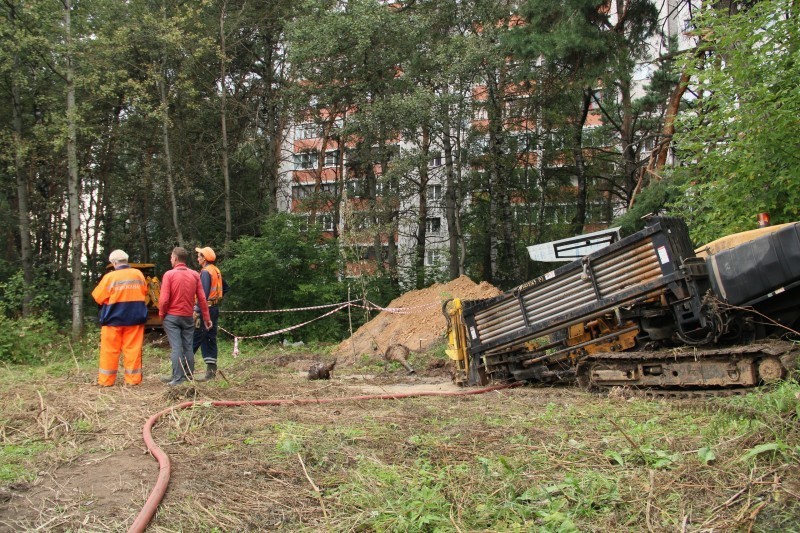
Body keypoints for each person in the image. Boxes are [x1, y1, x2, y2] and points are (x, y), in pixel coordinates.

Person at [91, 249, 148, 387]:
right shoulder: (138, 274)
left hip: (113, 320)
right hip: (135, 319)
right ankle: (132, 380)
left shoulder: (110, 277)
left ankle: (106, 381)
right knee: (133, 350)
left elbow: (98, 297)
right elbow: (144, 292)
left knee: (110, 350)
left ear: (114, 262)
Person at [159, 247, 212, 386]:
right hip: (188, 317)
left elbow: (164, 299)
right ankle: (189, 376)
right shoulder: (194, 274)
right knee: (188, 346)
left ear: (175, 258)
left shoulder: (169, 275)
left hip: (172, 317)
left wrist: (162, 314)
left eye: (171, 257)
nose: (170, 259)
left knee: (177, 347)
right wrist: (206, 318)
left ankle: (177, 378)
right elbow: (202, 298)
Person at [193, 246, 226, 381]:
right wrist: (215, 300)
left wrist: (197, 310)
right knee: (210, 338)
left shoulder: (206, 272)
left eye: (199, 256)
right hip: (214, 308)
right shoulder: (216, 271)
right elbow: (226, 287)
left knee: (195, 338)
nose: (197, 258)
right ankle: (211, 373)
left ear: (204, 258)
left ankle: (183, 370)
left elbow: (203, 294)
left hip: (205, 310)